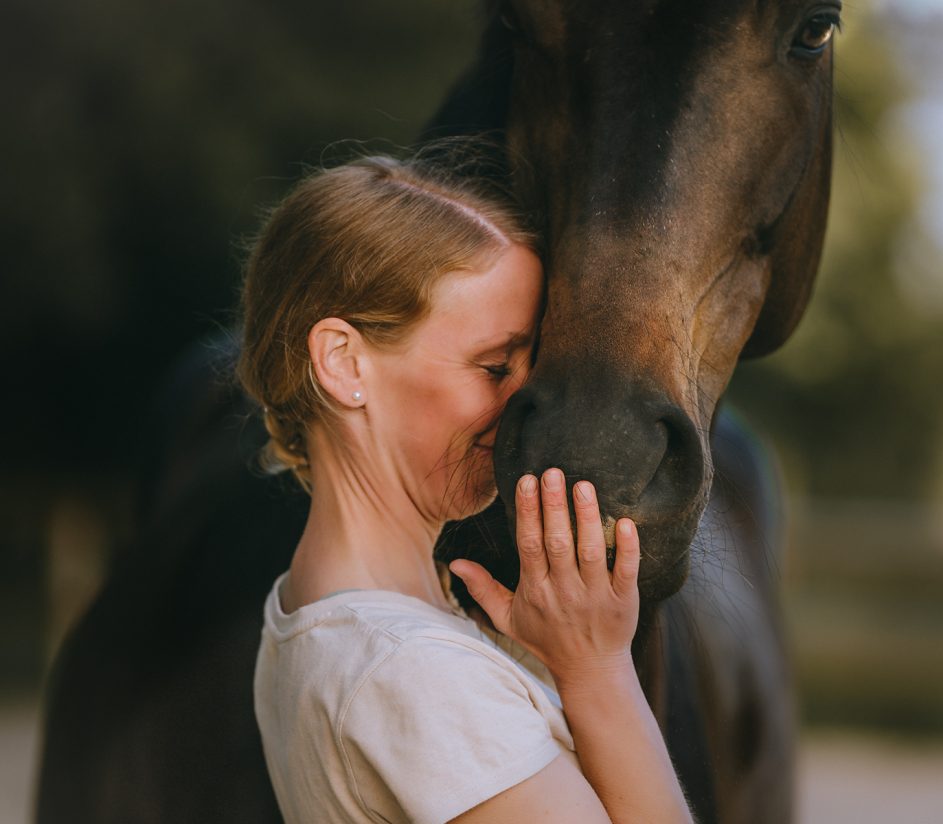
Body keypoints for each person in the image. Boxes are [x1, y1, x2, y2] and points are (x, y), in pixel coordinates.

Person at [238, 153, 694, 823]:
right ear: (342, 362)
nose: (523, 404)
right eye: (493, 366)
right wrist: (597, 674)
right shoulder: (412, 674)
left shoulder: (311, 614)